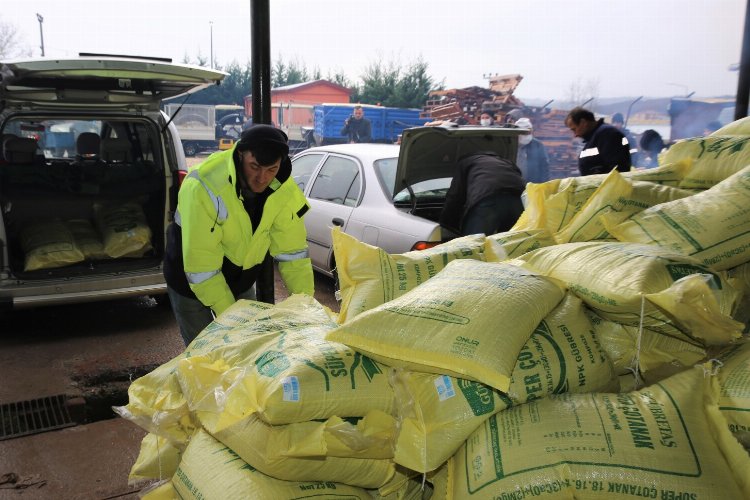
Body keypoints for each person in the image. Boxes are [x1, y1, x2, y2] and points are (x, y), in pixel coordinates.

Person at [163, 124, 315, 345]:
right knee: (205, 353)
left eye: (271, 169)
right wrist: (233, 320)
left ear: (281, 163)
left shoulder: (285, 190)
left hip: (240, 278)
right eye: (255, 167)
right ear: (240, 153)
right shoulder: (204, 185)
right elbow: (202, 268)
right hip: (190, 279)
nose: (262, 178)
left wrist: (306, 307)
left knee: (248, 346)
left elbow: (293, 254)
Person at [439, 151, 526, 236]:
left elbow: (455, 196)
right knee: (514, 245)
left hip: (488, 200)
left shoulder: (465, 162)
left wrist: (445, 223)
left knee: (473, 245)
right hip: (519, 200)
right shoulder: (506, 162)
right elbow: (519, 176)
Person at [565, 107, 631, 176]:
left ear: (583, 122)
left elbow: (616, 170)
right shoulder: (593, 138)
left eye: (574, 129)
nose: (575, 135)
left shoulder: (607, 134)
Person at [515, 118, 550, 183]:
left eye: (528, 132)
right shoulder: (511, 144)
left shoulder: (537, 145)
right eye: (524, 133)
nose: (526, 135)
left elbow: (544, 166)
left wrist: (543, 184)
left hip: (533, 183)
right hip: (514, 183)